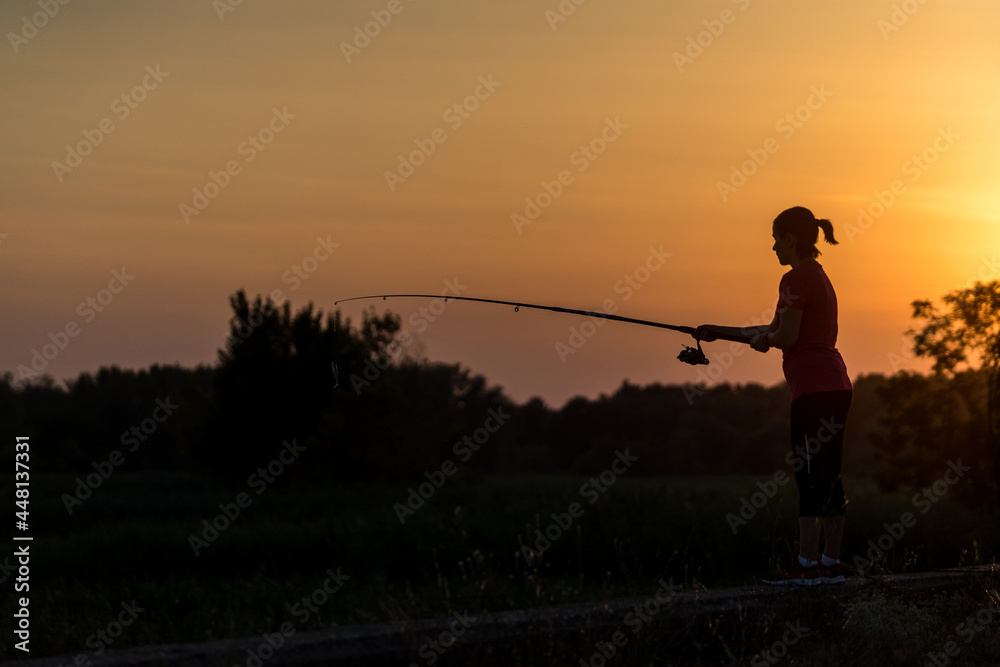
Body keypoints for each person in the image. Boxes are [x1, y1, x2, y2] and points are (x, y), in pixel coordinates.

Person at [695, 206, 853, 586]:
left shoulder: (793, 278)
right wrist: (718, 331)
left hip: (812, 391)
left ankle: (804, 565)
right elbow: (773, 329)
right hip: (836, 386)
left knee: (808, 476)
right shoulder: (818, 276)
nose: (772, 247)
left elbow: (784, 337)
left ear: (790, 239)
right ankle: (829, 564)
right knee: (830, 475)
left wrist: (767, 340)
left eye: (775, 239)